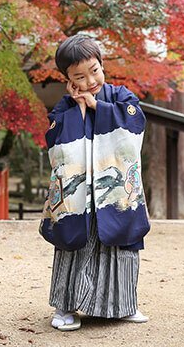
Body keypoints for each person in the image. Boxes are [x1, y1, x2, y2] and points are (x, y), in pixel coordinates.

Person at [40, 34, 151, 331]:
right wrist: (79, 110)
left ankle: (122, 305)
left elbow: (135, 124)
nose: (90, 80)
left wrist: (98, 108)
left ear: (102, 65)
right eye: (79, 76)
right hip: (79, 198)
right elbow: (56, 142)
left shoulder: (121, 97)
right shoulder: (64, 109)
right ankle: (65, 307)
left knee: (121, 247)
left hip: (114, 194)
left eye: (94, 71)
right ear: (67, 79)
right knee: (73, 245)